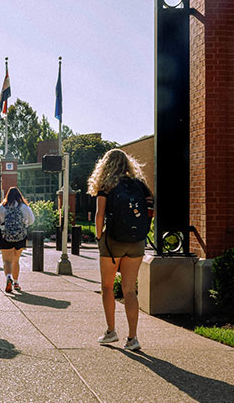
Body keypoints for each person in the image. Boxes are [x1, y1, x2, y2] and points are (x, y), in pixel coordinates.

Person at [88, 148, 154, 352]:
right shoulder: (140, 186)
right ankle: (133, 338)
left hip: (112, 241)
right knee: (129, 290)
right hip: (136, 242)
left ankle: (111, 331)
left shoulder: (106, 186)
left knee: (107, 287)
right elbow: (150, 210)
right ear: (128, 164)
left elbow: (100, 215)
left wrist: (99, 237)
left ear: (105, 165)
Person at [0, 187, 35, 292]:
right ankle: (16, 282)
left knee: (7, 261)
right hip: (20, 237)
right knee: (16, 260)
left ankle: (8, 277)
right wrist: (25, 223)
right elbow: (32, 220)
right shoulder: (24, 207)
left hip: (6, 237)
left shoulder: (2, 207)